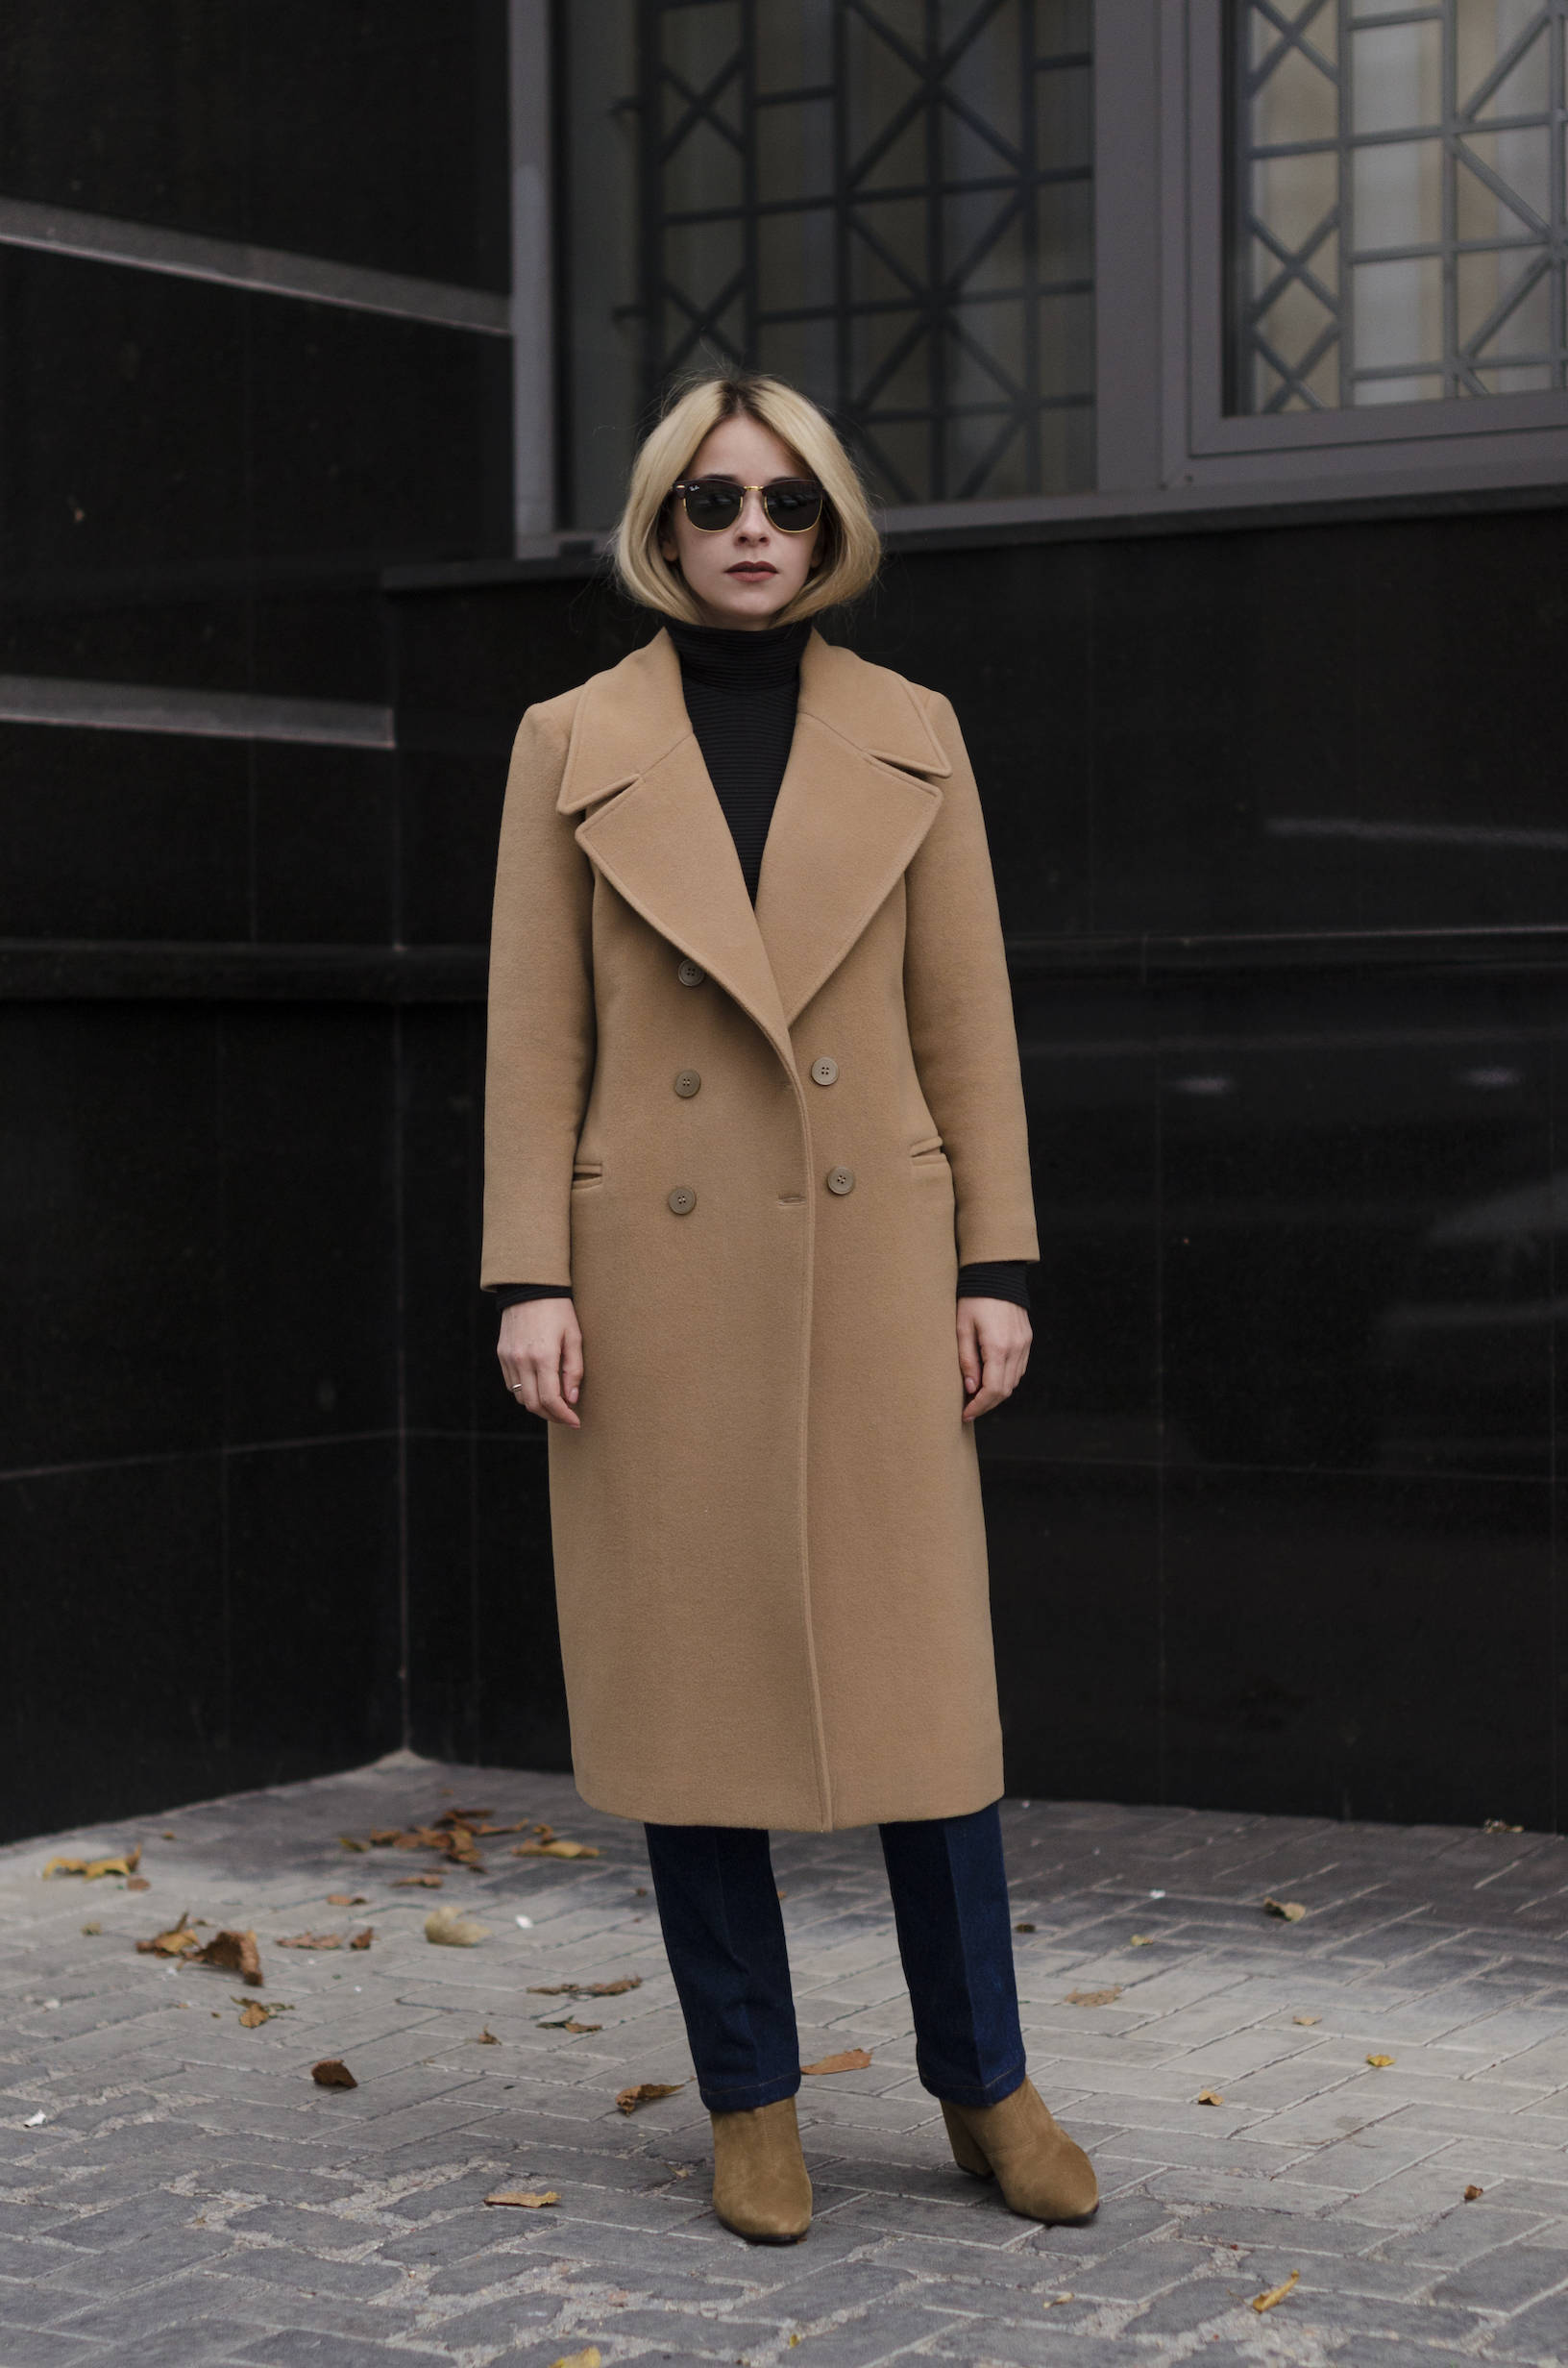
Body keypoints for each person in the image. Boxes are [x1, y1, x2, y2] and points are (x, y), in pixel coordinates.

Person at [481, 369, 1096, 2243]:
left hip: (876, 1265)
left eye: (788, 502)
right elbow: (535, 1032)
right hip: (657, 1281)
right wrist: (530, 1273)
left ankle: (984, 2081)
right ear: (662, 526)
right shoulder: (569, 741)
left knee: (930, 1709)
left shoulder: (914, 732)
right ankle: (751, 2100)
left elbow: (967, 1015)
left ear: (830, 528)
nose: (753, 530)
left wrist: (996, 1262)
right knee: (695, 1707)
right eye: (716, 499)